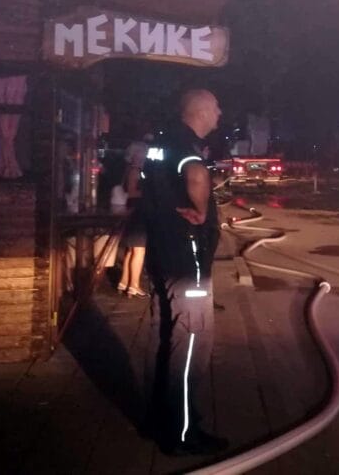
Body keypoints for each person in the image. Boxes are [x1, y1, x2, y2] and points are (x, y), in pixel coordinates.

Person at [140, 88, 227, 456]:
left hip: (163, 254)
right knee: (191, 344)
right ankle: (183, 432)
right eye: (217, 108)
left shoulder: (160, 143)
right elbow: (195, 174)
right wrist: (203, 211)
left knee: (170, 340)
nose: (220, 114)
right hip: (186, 261)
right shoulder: (185, 145)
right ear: (202, 111)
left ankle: (163, 419)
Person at [116, 140, 149, 297]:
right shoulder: (135, 170)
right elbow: (131, 192)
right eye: (143, 152)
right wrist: (151, 193)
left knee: (131, 250)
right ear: (136, 154)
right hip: (137, 213)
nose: (145, 155)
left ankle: (124, 282)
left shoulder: (130, 169)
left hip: (133, 212)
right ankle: (134, 285)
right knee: (139, 250)